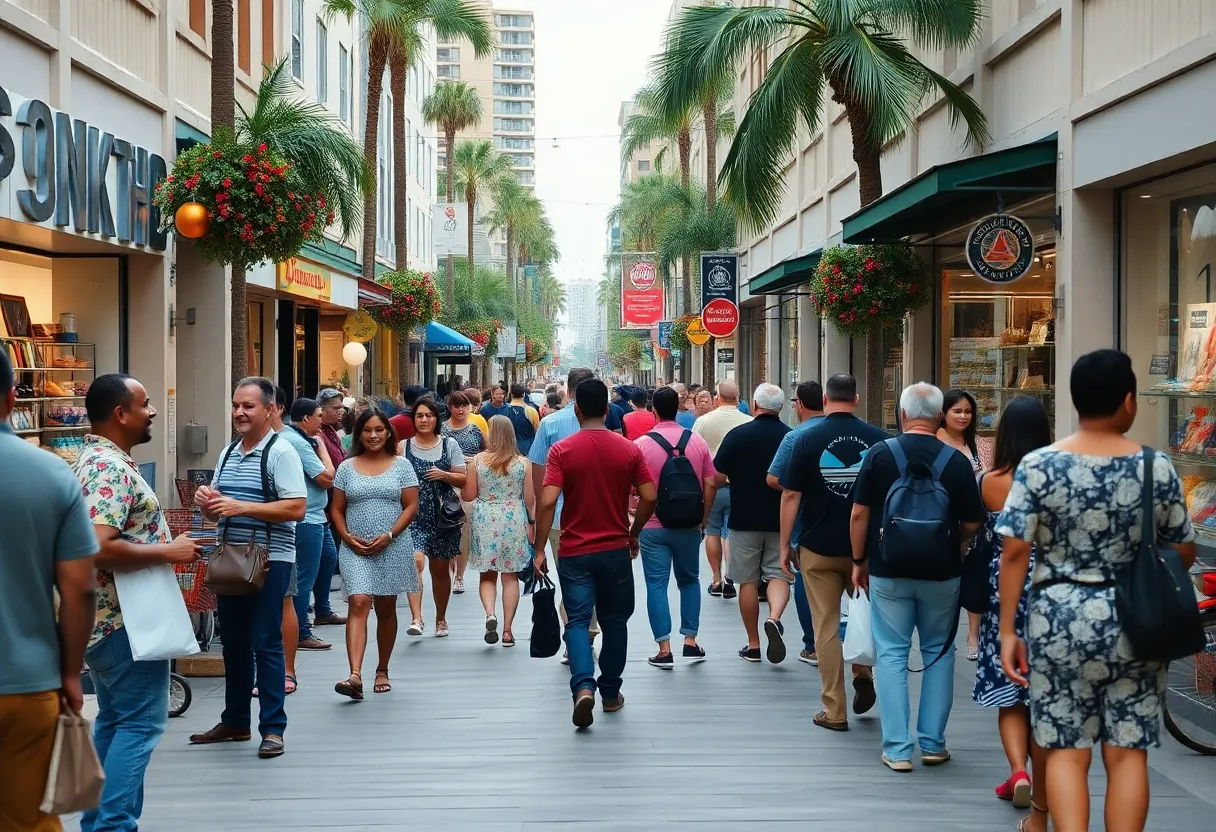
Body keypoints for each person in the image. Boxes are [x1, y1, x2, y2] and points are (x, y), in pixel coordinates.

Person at [997, 350, 1197, 832]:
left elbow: (1015, 552)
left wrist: (1008, 630)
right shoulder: (1156, 467)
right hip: (1136, 620)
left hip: (1058, 618)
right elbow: (1183, 549)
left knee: (1066, 751)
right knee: (1128, 754)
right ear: (1129, 402)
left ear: (1074, 399)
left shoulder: (1039, 465)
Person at [73, 374, 201, 832]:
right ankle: (112, 826)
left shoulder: (99, 461)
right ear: (120, 414)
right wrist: (169, 551)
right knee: (140, 725)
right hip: (126, 622)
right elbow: (95, 546)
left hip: (114, 620)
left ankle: (99, 823)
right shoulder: (107, 468)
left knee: (115, 721)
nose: (153, 412)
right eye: (145, 404)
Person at [850, 382, 985, 771]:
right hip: (942, 573)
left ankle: (896, 749)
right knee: (939, 653)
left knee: (891, 654)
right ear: (941, 416)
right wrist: (954, 543)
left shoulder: (879, 454)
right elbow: (973, 520)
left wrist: (860, 560)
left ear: (903, 414)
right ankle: (932, 743)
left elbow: (859, 514)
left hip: (888, 569)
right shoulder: (955, 461)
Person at [0, 350, 97, 832]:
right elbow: (80, 588)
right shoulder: (50, 473)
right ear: (11, 397)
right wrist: (69, 671)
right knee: (31, 819)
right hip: (25, 680)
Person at [190, 377, 307, 759]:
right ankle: (236, 720)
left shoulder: (281, 451)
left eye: (249, 406)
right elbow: (219, 509)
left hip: (270, 560)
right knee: (234, 644)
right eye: (236, 405)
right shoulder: (227, 453)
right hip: (232, 560)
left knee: (266, 642)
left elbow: (296, 507)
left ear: (270, 410)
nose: (240, 412)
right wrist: (208, 502)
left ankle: (273, 728)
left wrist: (240, 507)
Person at [533, 378, 657, 728]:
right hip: (615, 548)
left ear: (576, 408)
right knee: (615, 621)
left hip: (574, 550)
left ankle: (583, 686)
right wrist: (634, 532)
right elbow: (649, 496)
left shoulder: (562, 450)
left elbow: (546, 501)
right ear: (606, 409)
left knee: (576, 619)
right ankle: (610, 693)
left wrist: (540, 548)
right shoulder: (629, 449)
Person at [780, 373, 883, 731]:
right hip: (866, 550)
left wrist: (784, 546)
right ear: (856, 400)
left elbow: (790, 494)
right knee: (863, 616)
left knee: (825, 626)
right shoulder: (880, 440)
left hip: (818, 546)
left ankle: (834, 710)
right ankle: (862, 672)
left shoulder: (805, 440)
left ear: (824, 400)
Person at [970, 397, 1052, 812]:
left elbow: (975, 531)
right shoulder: (1053, 480)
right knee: (1044, 694)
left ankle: (1018, 771)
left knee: (1010, 692)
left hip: (1004, 587)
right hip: (1051, 587)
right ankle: (1039, 785)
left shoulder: (989, 479)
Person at [330, 408, 420, 699]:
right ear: (359, 434)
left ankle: (382, 669)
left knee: (385, 608)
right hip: (355, 545)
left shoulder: (402, 465)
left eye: (379, 430)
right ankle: (354, 675)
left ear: (389, 433)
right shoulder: (346, 467)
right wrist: (345, 536)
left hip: (392, 544)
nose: (373, 435)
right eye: (367, 430)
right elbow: (336, 508)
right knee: (358, 602)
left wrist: (390, 534)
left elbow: (411, 506)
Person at [634, 386, 717, 667]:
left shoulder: (641, 445)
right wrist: (703, 517)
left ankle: (664, 648)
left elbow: (630, 488)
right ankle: (690, 641)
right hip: (688, 525)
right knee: (690, 580)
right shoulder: (696, 441)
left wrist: (632, 521)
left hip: (652, 525)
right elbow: (711, 482)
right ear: (680, 406)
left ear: (654, 411)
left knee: (656, 585)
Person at [713, 383, 792, 663]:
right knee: (779, 574)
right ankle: (774, 617)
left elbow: (717, 475)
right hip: (781, 519)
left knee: (746, 581)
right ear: (781, 408)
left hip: (744, 517)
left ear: (755, 406)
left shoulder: (737, 435)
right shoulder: (791, 437)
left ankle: (754, 643)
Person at [528, 367, 603, 658]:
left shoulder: (550, 425)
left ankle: (577, 635)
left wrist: (535, 522)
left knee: (572, 580)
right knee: (594, 579)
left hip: (559, 518)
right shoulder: (607, 424)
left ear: (568, 392)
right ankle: (586, 633)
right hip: (599, 516)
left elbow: (539, 478)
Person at [766, 380, 825, 664]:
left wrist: (804, 487)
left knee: (805, 576)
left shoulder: (796, 437)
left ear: (798, 405)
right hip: (850, 519)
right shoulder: (852, 432)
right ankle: (855, 645)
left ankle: (812, 644)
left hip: (807, 521)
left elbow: (776, 479)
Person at [464, 415, 533, 647]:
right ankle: (507, 630)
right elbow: (530, 499)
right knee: (510, 576)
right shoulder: (523, 464)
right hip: (513, 518)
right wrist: (531, 526)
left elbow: (469, 495)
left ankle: (490, 613)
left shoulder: (478, 462)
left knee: (487, 574)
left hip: (486, 519)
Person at [401, 397, 467, 638]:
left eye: (429, 415)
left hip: (442, 518)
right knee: (414, 563)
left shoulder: (449, 445)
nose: (424, 419)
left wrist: (444, 475)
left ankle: (441, 618)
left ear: (436, 419)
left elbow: (463, 477)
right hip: (412, 515)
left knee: (439, 572)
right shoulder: (403, 447)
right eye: (419, 415)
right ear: (413, 419)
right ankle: (417, 618)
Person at [938, 388, 993, 661]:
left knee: (974, 581)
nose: (963, 416)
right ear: (943, 414)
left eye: (968, 411)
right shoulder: (935, 442)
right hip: (943, 521)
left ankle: (974, 634)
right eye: (957, 411)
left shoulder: (982, 446)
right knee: (946, 582)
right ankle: (944, 634)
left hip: (977, 523)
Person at [279, 398, 337, 656]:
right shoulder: (300, 442)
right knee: (304, 576)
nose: (322, 421)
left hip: (317, 515)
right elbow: (326, 478)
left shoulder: (300, 439)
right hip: (307, 519)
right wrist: (322, 448)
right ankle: (301, 630)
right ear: (306, 419)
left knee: (328, 558)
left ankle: (322, 609)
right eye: (318, 415)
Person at [693, 380, 752, 598]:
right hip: (740, 487)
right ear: (738, 398)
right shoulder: (748, 421)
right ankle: (730, 576)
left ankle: (716, 579)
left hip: (711, 486)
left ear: (717, 398)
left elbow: (696, 452)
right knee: (731, 533)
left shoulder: (703, 422)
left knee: (712, 532)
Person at [443, 391, 486, 595]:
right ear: (449, 407)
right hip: (447, 483)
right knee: (448, 528)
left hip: (470, 484)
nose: (460, 410)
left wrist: (474, 461)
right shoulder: (442, 430)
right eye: (456, 405)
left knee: (464, 530)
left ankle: (459, 576)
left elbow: (489, 452)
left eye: (464, 405)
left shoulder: (475, 429)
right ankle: (452, 567)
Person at [312, 388, 347, 627]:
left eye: (341, 408)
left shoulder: (331, 433)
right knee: (322, 558)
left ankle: (323, 608)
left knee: (328, 557)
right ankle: (314, 608)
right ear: (321, 411)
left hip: (334, 504)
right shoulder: (316, 437)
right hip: (322, 507)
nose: (340, 413)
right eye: (336, 409)